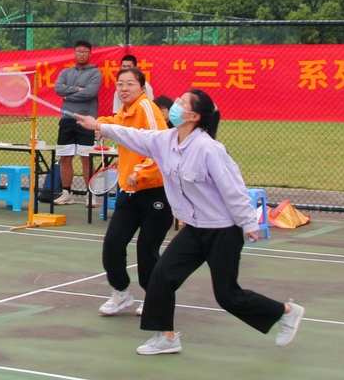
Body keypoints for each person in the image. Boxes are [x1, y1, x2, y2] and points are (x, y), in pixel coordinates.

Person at [75, 89, 305, 354]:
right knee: (162, 276)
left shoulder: (209, 149)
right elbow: (135, 135)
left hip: (223, 230)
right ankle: (166, 337)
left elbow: (233, 188)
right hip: (194, 229)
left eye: (181, 103)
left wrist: (248, 222)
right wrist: (100, 126)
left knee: (228, 296)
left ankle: (286, 312)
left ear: (194, 116)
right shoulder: (166, 140)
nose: (175, 105)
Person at [96, 68, 174, 317]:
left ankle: (153, 295)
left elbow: (162, 146)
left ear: (142, 87)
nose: (124, 88)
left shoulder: (147, 108)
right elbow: (116, 124)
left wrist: (141, 173)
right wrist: (99, 124)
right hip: (128, 193)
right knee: (113, 244)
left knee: (147, 250)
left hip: (155, 192)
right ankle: (120, 292)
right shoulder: (124, 111)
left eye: (130, 84)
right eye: (120, 84)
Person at [53, 39, 102, 207]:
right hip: (67, 120)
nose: (81, 54)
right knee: (65, 158)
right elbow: (58, 88)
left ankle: (91, 194)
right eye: (79, 51)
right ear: (74, 53)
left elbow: (90, 93)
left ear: (90, 53)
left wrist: (69, 95)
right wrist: (78, 89)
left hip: (86, 121)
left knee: (86, 159)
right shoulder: (65, 72)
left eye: (85, 52)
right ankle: (66, 193)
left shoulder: (95, 73)